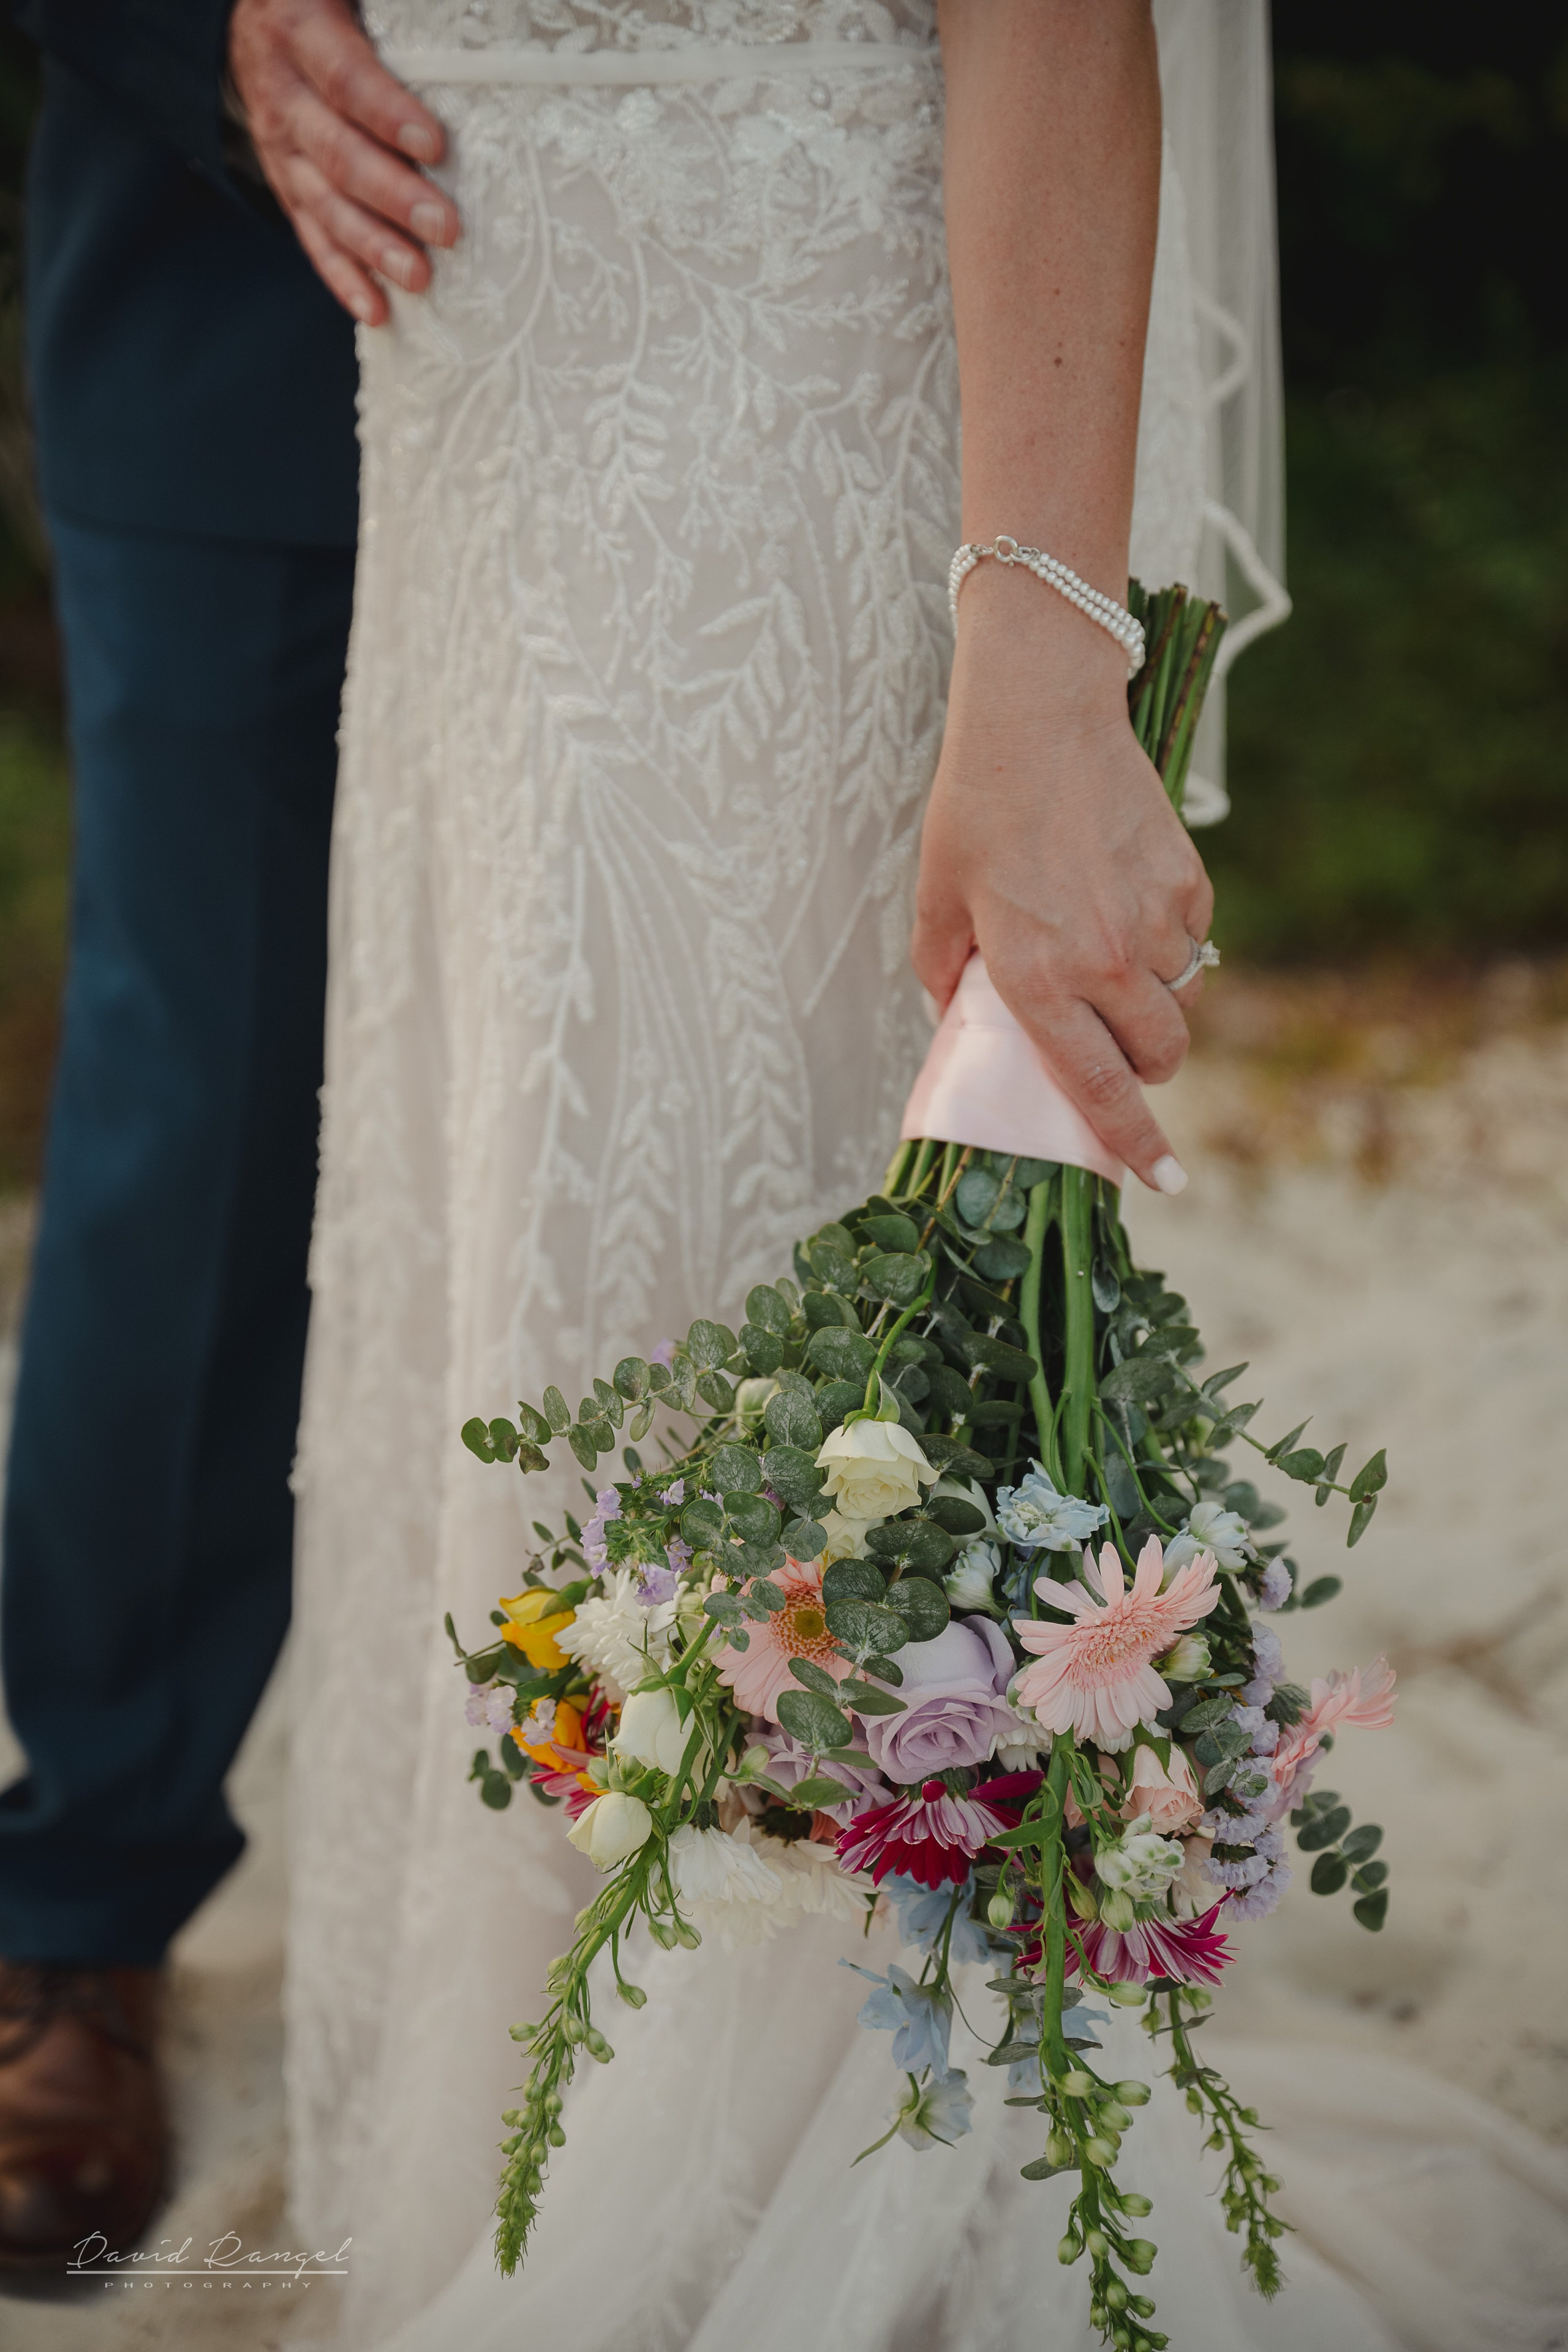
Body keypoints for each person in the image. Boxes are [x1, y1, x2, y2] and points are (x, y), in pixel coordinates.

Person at [256, 4, 1403, 2347]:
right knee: (518, 1185)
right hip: (488, 388)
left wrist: (1046, 652)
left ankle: (806, 2108)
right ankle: (535, 2094)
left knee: (721, 1266)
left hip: (781, 388)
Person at [0, 0, 457, 2268]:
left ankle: (727, 1837)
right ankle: (81, 1899)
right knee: (193, 1129)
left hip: (738, 339)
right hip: (237, 289)